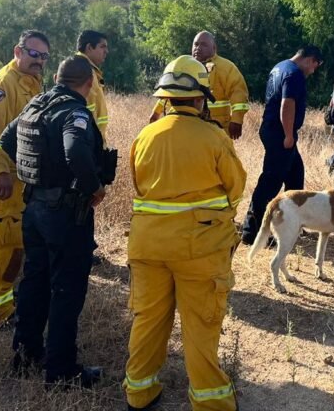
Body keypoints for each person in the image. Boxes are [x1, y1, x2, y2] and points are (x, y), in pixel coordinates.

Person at [124, 56, 246, 411]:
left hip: (147, 247)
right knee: (200, 327)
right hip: (200, 250)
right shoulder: (214, 137)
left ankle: (139, 393)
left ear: (165, 98)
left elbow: (140, 188)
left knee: (148, 320)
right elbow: (234, 189)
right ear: (200, 99)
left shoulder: (144, 136)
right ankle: (211, 403)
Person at [0, 55, 114, 388]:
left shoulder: (36, 105)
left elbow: (8, 140)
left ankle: (25, 355)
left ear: (58, 78)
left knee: (34, 282)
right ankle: (61, 371)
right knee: (67, 289)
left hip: (34, 209)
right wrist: (94, 187)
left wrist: (36, 173)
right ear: (88, 83)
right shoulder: (75, 111)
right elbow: (76, 151)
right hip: (65, 214)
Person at [0, 29, 50, 327]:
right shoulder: (1, 86)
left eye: (44, 56)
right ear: (17, 51)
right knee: (2, 244)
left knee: (18, 243)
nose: (39, 61)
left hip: (24, 179)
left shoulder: (32, 82)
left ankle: (7, 301)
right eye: (34, 54)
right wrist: (2, 173)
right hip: (4, 181)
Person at [240, 45, 323, 246]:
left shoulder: (280, 67)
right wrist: (288, 135)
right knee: (271, 182)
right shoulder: (294, 74)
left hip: (273, 129)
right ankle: (252, 232)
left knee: (295, 176)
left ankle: (290, 225)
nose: (313, 71)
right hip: (280, 133)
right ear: (310, 59)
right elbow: (287, 104)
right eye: (315, 66)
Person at [150, 31, 250, 140]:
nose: (198, 48)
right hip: (187, 126)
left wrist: (237, 120)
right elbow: (173, 91)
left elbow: (238, 93)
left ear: (214, 48)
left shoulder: (226, 68)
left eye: (204, 45)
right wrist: (156, 112)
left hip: (217, 127)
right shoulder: (184, 66)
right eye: (196, 44)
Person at [76, 30, 110, 140]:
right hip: (89, 141)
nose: (106, 51)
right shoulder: (81, 70)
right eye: (102, 47)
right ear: (89, 47)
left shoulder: (87, 69)